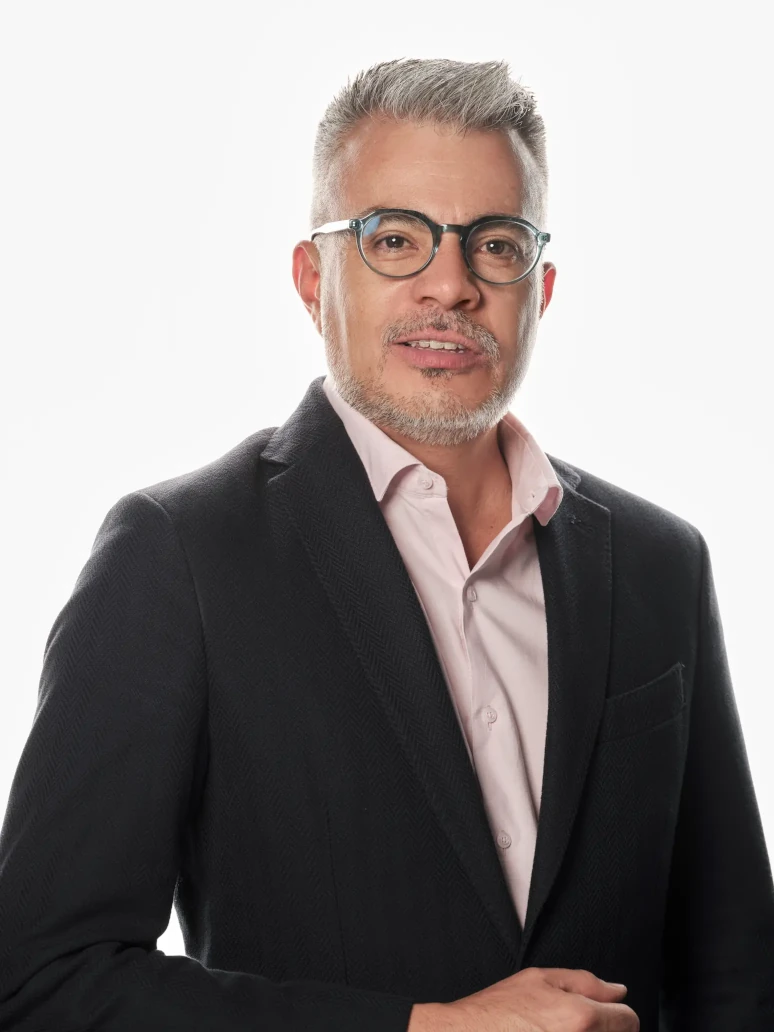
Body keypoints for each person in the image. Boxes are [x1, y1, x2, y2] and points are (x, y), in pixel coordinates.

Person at [0, 57, 771, 1032]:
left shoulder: (662, 564)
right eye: (395, 239)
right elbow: (44, 981)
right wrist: (426, 1027)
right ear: (313, 278)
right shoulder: (180, 557)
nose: (450, 285)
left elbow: (738, 978)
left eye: (495, 244)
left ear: (540, 288)